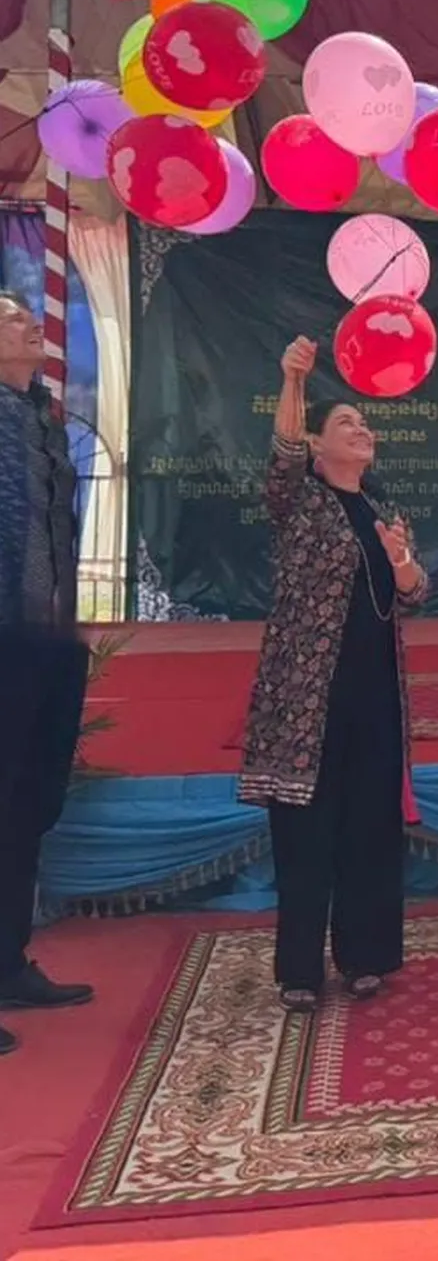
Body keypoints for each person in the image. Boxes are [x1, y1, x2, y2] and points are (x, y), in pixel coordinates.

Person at [238, 336, 428, 1014]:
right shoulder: (298, 498)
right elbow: (283, 452)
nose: (362, 429)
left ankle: (366, 956)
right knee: (306, 833)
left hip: (374, 692)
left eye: (365, 422)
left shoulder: (379, 509)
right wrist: (293, 380)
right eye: (347, 422)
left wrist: (403, 562)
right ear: (319, 445)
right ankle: (298, 970)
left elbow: (413, 592)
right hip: (306, 701)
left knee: (371, 828)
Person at [0, 291, 92, 1056]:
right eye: (11, 318)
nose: (31, 322)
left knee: (27, 805)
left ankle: (8, 962)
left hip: (48, 633)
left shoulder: (44, 419)